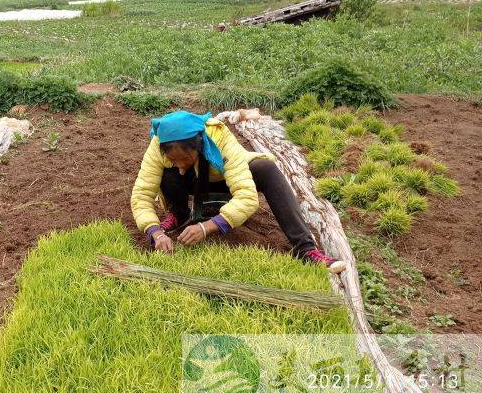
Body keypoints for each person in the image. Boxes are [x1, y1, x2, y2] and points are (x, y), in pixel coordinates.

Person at [130, 110, 345, 273]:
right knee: (169, 176)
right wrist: (154, 231)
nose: (179, 164)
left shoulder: (219, 138)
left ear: (199, 145)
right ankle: (179, 214)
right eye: (172, 159)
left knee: (267, 169)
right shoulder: (159, 143)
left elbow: (247, 197)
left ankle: (305, 249)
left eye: (185, 158)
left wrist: (207, 227)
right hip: (193, 181)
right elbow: (141, 193)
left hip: (224, 178)